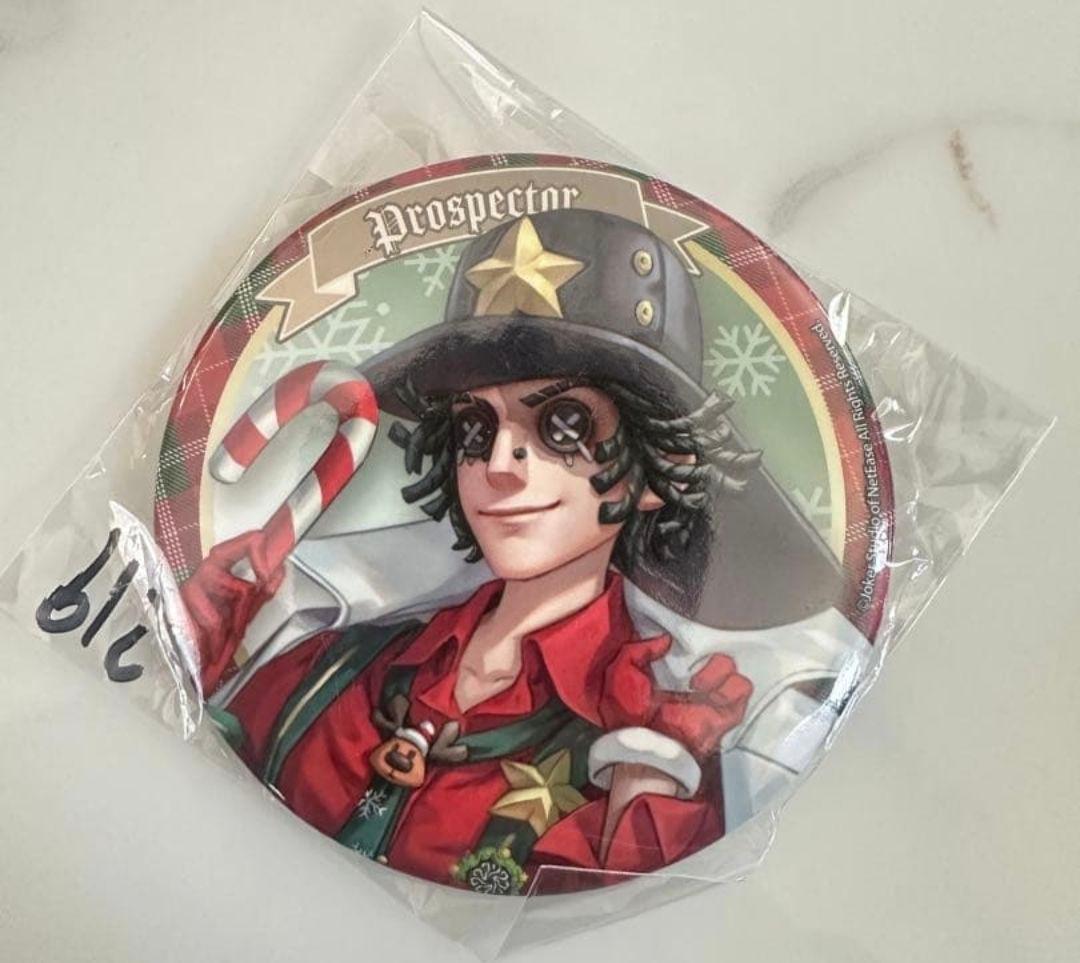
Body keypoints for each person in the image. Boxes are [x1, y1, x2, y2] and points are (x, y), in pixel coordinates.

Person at [179, 210, 830, 895]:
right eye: (474, 426)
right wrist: (204, 657)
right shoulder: (333, 664)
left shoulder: (643, 751)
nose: (497, 464)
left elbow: (603, 920)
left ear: (656, 469)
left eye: (562, 424)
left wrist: (649, 774)